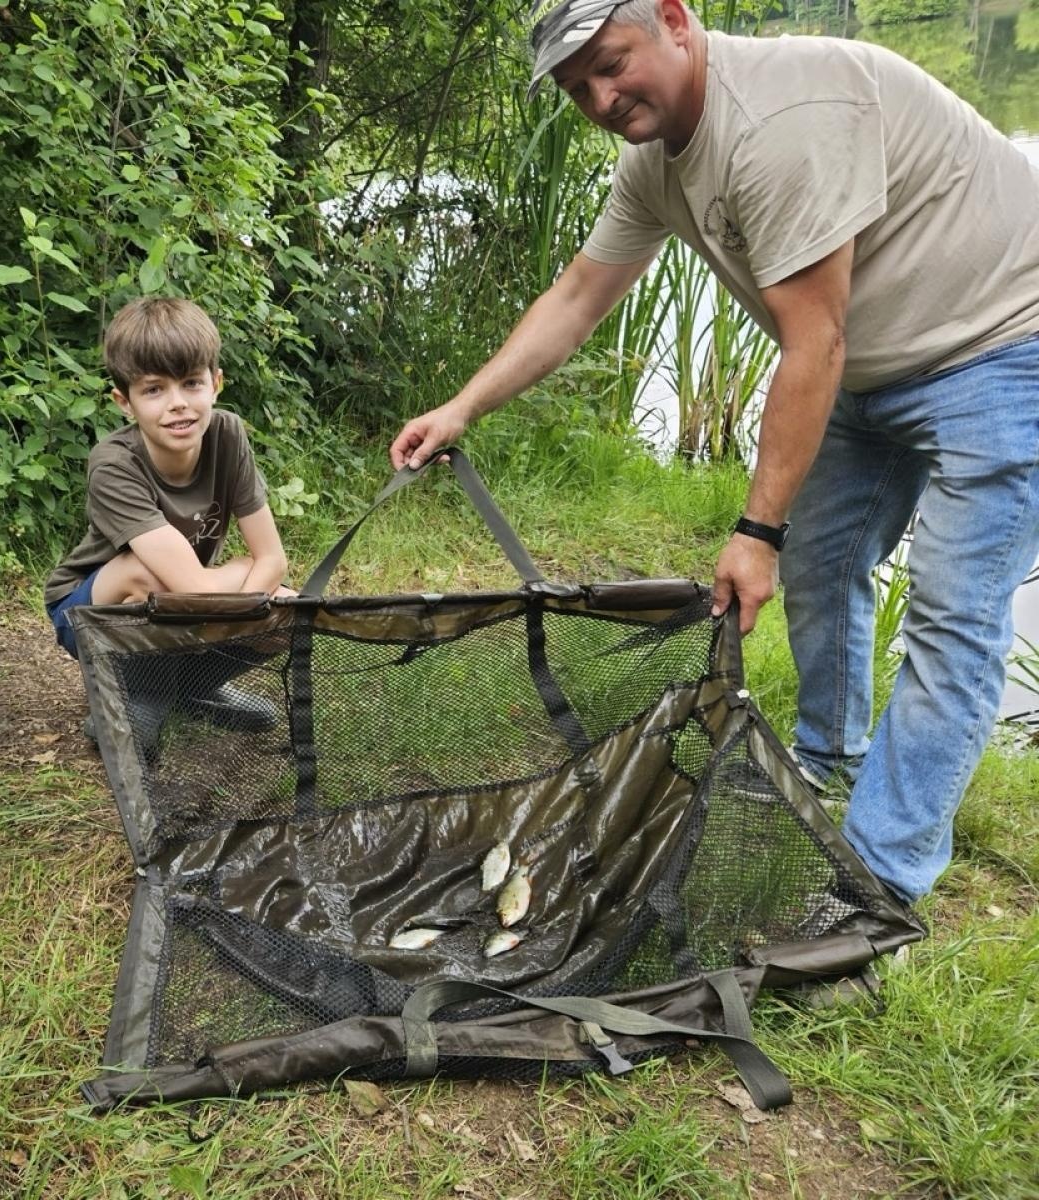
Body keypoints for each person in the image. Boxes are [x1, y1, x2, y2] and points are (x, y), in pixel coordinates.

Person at [390, 0, 1039, 905]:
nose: (604, 97)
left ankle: (878, 879)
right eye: (579, 90)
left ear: (674, 19)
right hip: (869, 361)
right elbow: (580, 295)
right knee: (825, 561)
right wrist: (461, 407)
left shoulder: (776, 123)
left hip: (1007, 341)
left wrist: (754, 529)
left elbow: (812, 342)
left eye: (613, 64)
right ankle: (830, 760)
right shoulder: (654, 164)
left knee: (951, 614)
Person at [45, 296, 290, 741]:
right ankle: (134, 692)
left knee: (288, 608)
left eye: (191, 383)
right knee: (147, 575)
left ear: (216, 383)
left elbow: (273, 559)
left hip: (179, 603)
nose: (178, 403)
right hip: (88, 613)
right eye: (154, 389)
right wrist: (238, 573)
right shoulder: (114, 464)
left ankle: (189, 688)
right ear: (125, 401)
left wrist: (245, 588)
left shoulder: (228, 434)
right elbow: (191, 587)